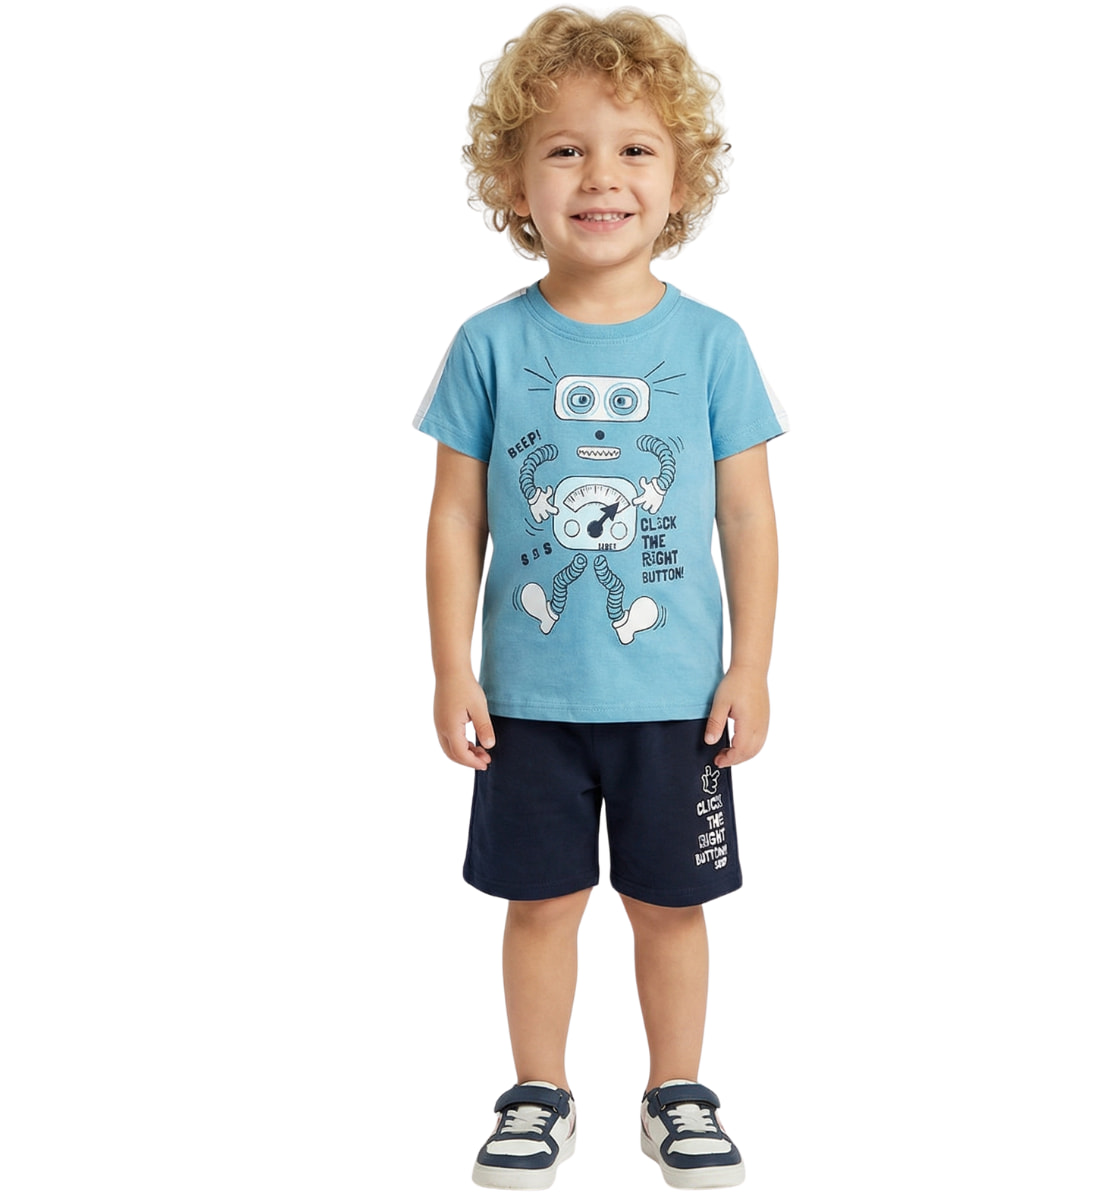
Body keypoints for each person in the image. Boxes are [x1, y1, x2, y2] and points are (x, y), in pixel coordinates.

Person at [415, 7, 786, 1189]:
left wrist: (751, 664)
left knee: (670, 906)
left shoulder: (714, 345)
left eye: (635, 149)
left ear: (681, 182)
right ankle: (539, 1091)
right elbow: (457, 517)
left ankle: (677, 1091)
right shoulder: (489, 345)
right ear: (513, 182)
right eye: (565, 149)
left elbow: (747, 518)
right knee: (541, 902)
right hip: (529, 699)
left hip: (675, 700)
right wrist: (453, 667)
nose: (601, 177)